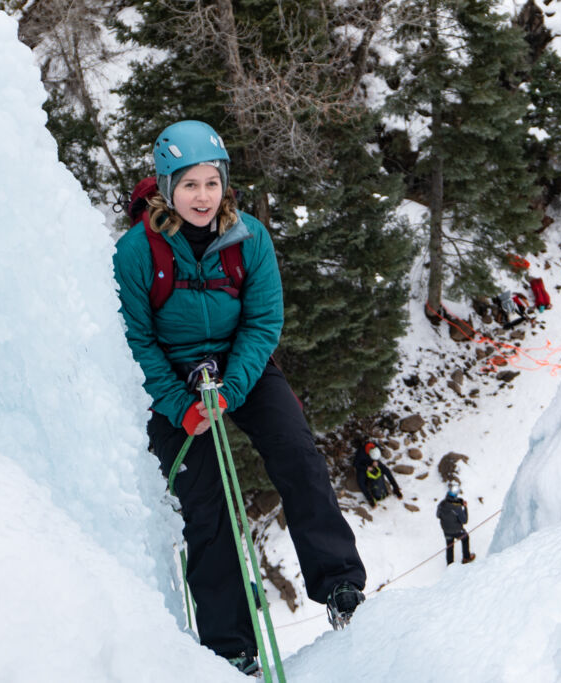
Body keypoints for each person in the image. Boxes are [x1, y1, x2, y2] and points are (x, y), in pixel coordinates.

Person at [112, 120, 367, 674]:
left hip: (240, 366)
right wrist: (182, 407)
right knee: (206, 504)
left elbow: (263, 321)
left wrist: (229, 390)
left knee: (298, 456)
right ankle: (231, 646)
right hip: (173, 382)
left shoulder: (249, 236)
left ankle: (341, 585)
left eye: (212, 182)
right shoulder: (137, 251)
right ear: (165, 187)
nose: (202, 197)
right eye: (189, 185)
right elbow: (136, 338)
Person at [353, 441, 403, 507]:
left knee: (386, 471)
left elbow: (378, 454)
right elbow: (355, 464)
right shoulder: (361, 454)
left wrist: (375, 461)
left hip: (373, 462)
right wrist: (366, 468)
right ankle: (370, 499)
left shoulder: (375, 446)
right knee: (360, 482)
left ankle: (396, 488)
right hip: (363, 466)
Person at [436, 483, 475, 564]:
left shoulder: (441, 504)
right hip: (457, 530)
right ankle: (466, 558)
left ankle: (450, 564)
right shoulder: (457, 508)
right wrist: (465, 508)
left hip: (446, 530)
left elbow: (438, 515)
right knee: (465, 538)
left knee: (449, 545)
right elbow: (464, 521)